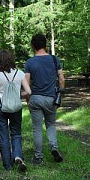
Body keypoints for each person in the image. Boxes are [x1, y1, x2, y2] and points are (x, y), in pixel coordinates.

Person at [24, 33, 66, 164]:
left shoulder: (30, 62)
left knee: (37, 128)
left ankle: (38, 157)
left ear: (33, 46)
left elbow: (26, 84)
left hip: (35, 98)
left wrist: (28, 99)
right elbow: (62, 79)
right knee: (51, 124)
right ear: (45, 45)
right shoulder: (55, 60)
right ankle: (54, 147)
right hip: (51, 98)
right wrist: (60, 93)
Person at [0, 49, 32, 172]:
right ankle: (18, 155)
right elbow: (29, 92)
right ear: (12, 60)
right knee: (16, 133)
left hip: (1, 108)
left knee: (3, 136)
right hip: (16, 108)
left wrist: (1, 94)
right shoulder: (20, 73)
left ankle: (7, 165)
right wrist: (18, 95)